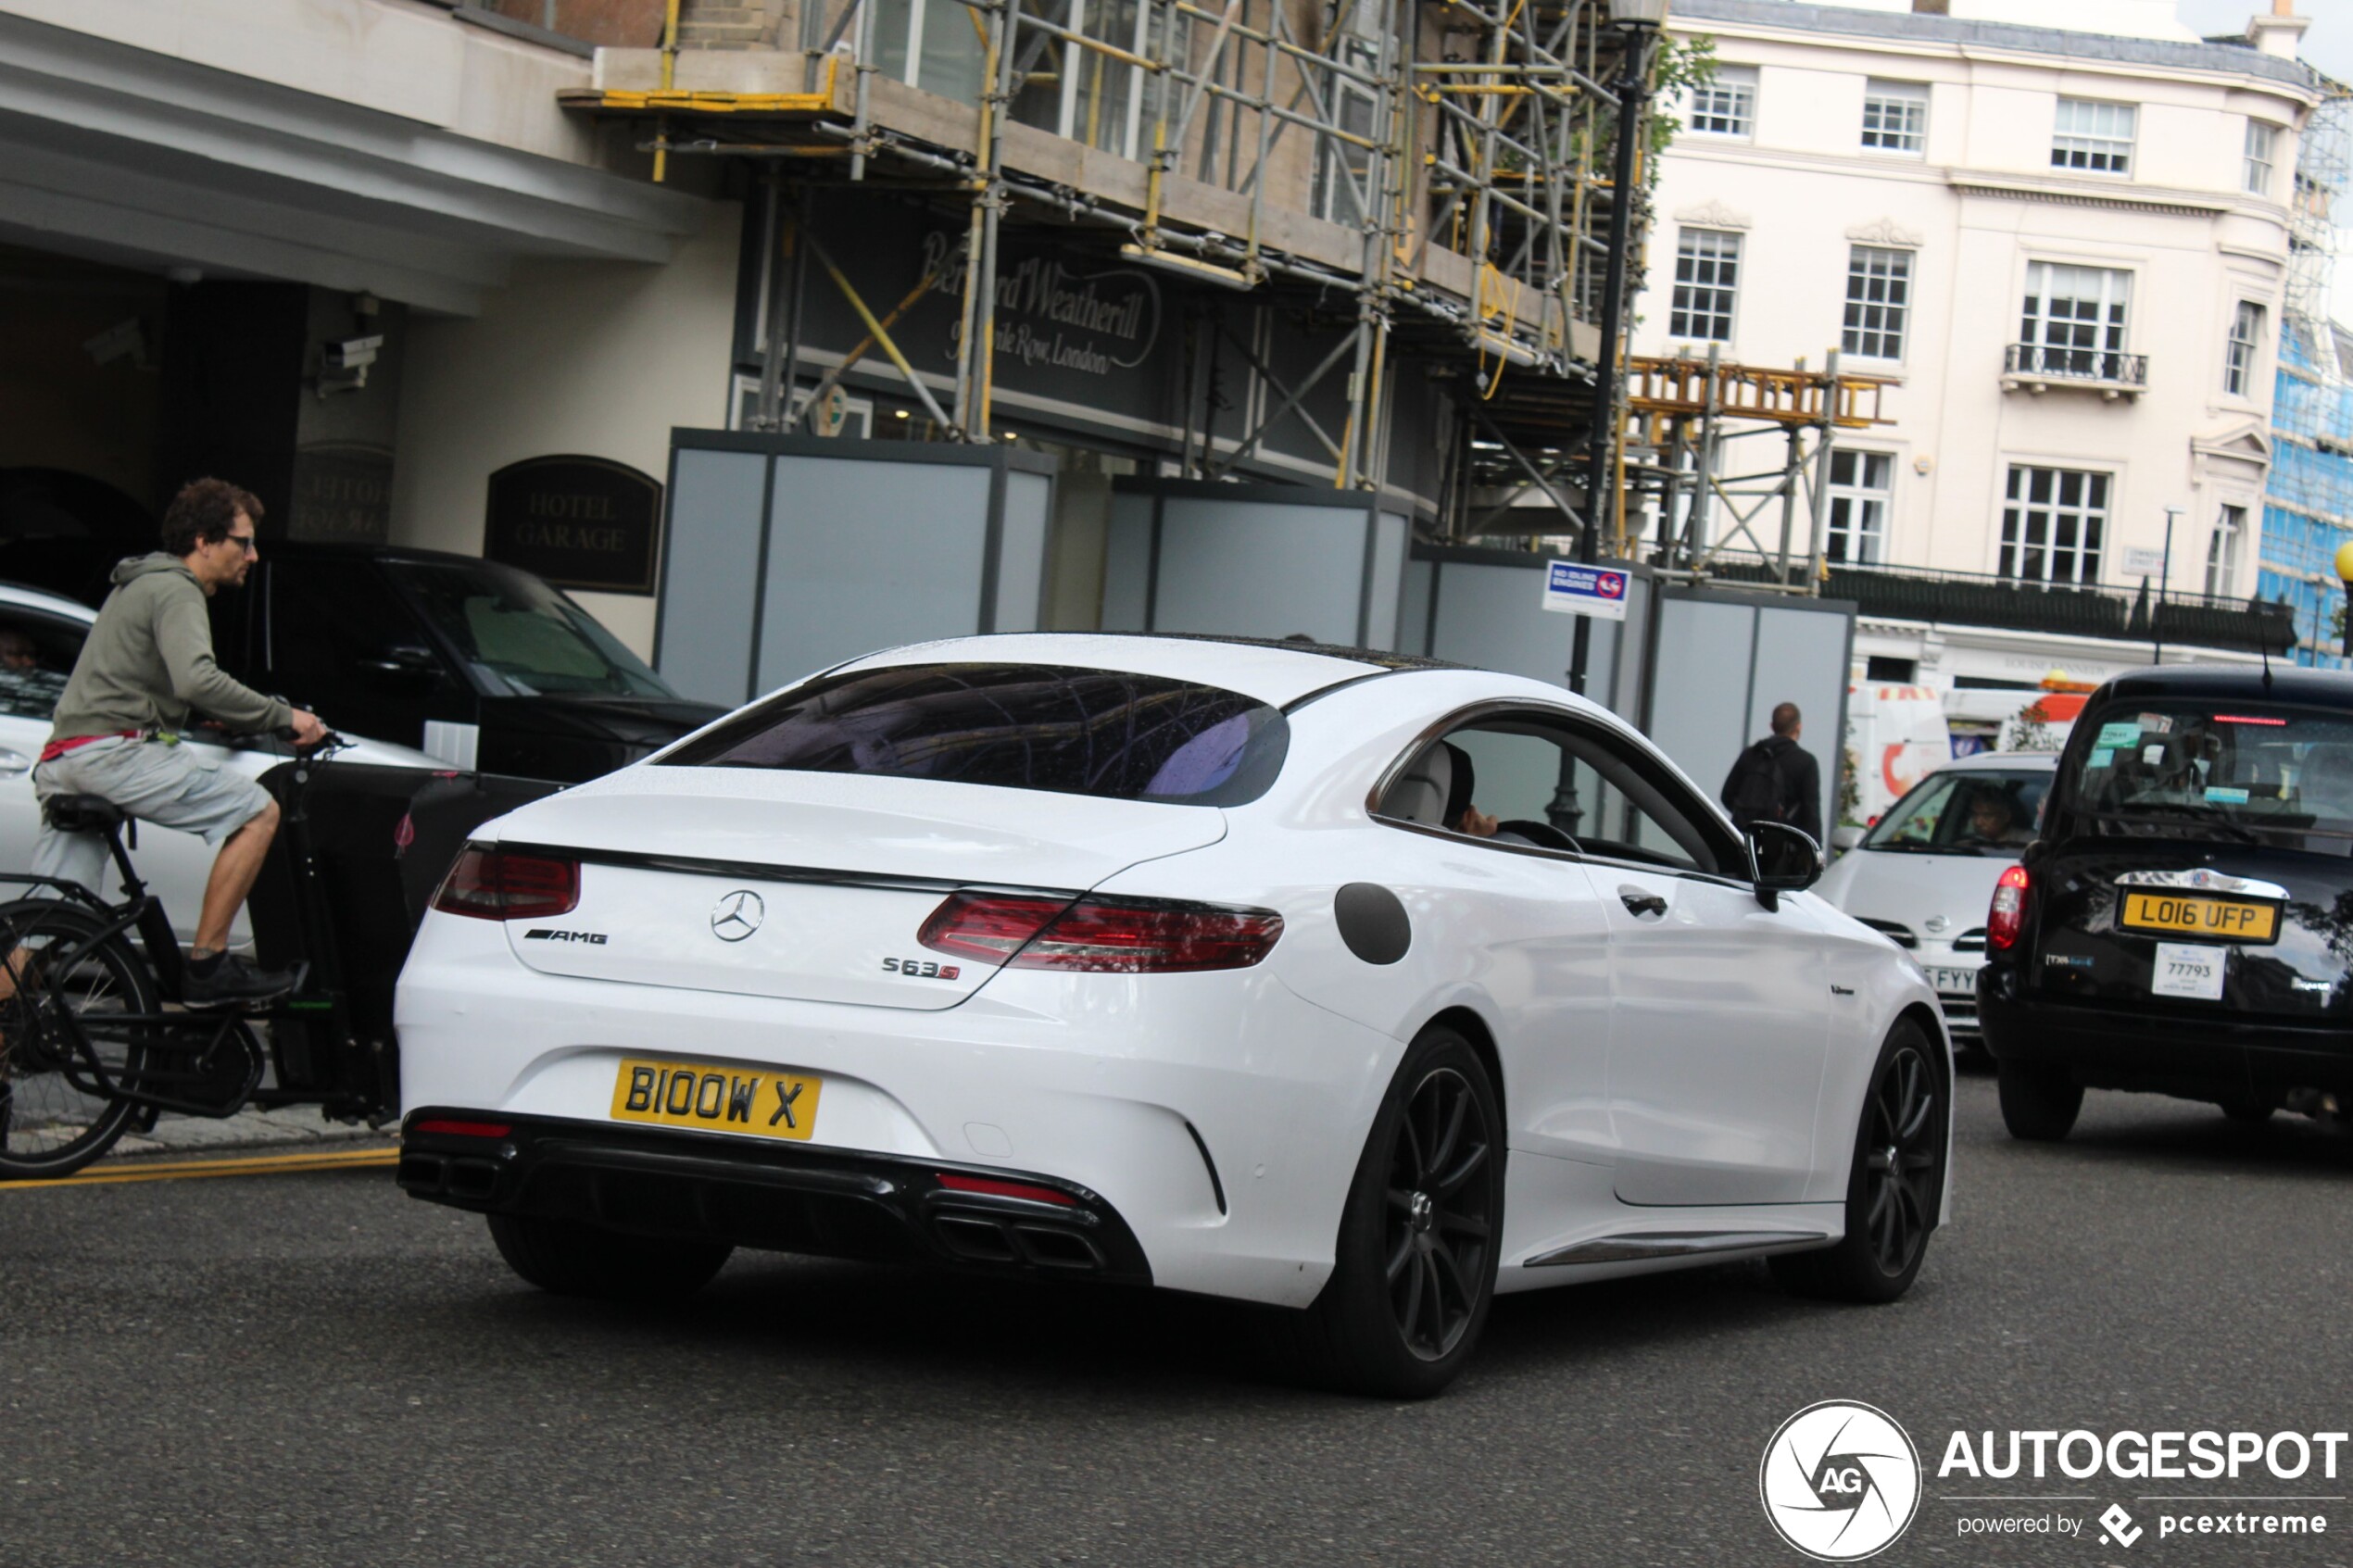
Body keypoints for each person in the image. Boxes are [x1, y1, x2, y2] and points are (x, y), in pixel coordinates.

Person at [27, 479, 326, 1004]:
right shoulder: (177, 587)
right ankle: (209, 968)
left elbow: (147, 686)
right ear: (205, 541)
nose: (253, 557)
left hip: (69, 757)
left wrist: (206, 720)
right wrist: (284, 717)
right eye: (244, 542)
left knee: (48, 924)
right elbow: (197, 680)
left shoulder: (140, 583)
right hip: (112, 756)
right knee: (258, 811)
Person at [1721, 701, 1822, 843]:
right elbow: (1811, 812)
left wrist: (1749, 815)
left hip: (1745, 839)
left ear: (1772, 726)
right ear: (1798, 727)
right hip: (1782, 847)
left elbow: (1727, 795)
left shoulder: (1750, 754)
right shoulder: (1806, 762)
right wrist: (1814, 849)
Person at [1958, 791, 2032, 847]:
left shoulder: (2028, 843)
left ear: (2006, 816)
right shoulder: (1967, 845)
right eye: (1975, 814)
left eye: (1987, 816)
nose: (1978, 822)